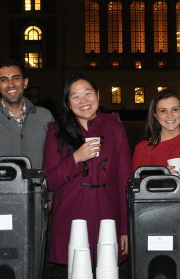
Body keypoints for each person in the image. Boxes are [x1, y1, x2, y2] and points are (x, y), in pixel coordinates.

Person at [42, 73, 133, 266]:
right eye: (75, 96)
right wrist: (76, 159)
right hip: (71, 213)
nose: (83, 101)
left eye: (87, 94)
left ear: (98, 95)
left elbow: (125, 181)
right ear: (68, 102)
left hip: (108, 214)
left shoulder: (115, 129)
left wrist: (125, 228)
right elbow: (49, 181)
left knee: (107, 277)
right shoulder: (57, 130)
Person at [0, 59, 54, 172]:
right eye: (4, 80)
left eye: (16, 78)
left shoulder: (45, 116)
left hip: (41, 189)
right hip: (0, 189)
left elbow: (56, 159)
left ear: (25, 82)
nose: (11, 84)